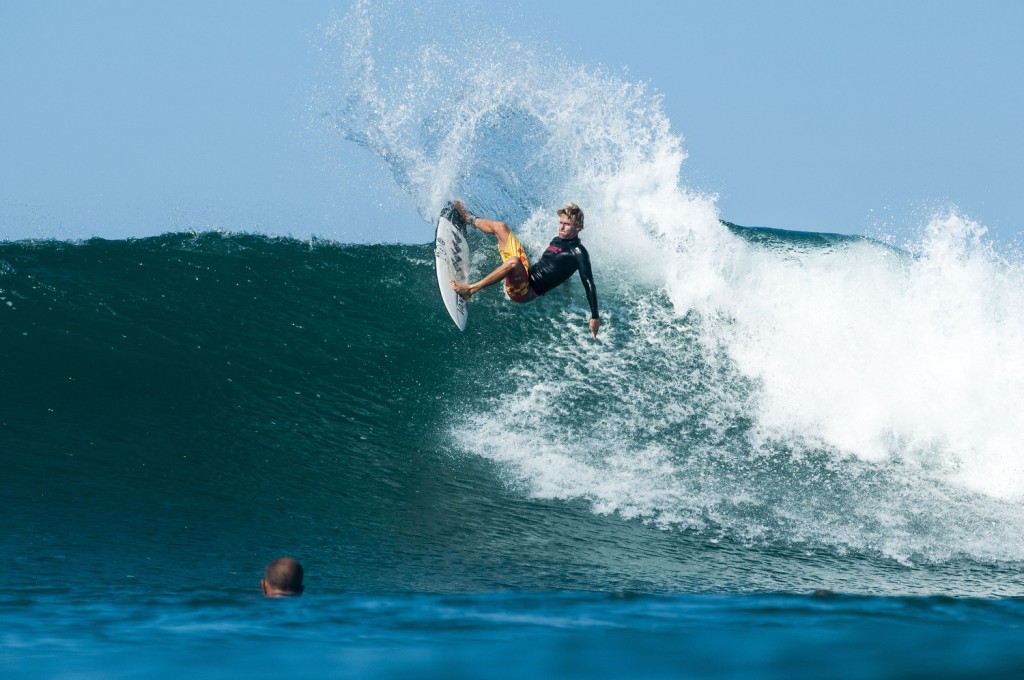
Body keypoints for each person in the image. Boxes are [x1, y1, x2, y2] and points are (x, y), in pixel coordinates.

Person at [449, 200, 600, 337]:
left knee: (514, 261)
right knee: (501, 227)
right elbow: (559, 268)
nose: (561, 227)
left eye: (566, 225)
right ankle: (468, 218)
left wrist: (594, 316)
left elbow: (588, 283)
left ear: (578, 227)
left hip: (523, 292)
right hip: (524, 274)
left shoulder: (578, 252)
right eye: (560, 222)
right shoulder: (557, 240)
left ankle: (470, 290)